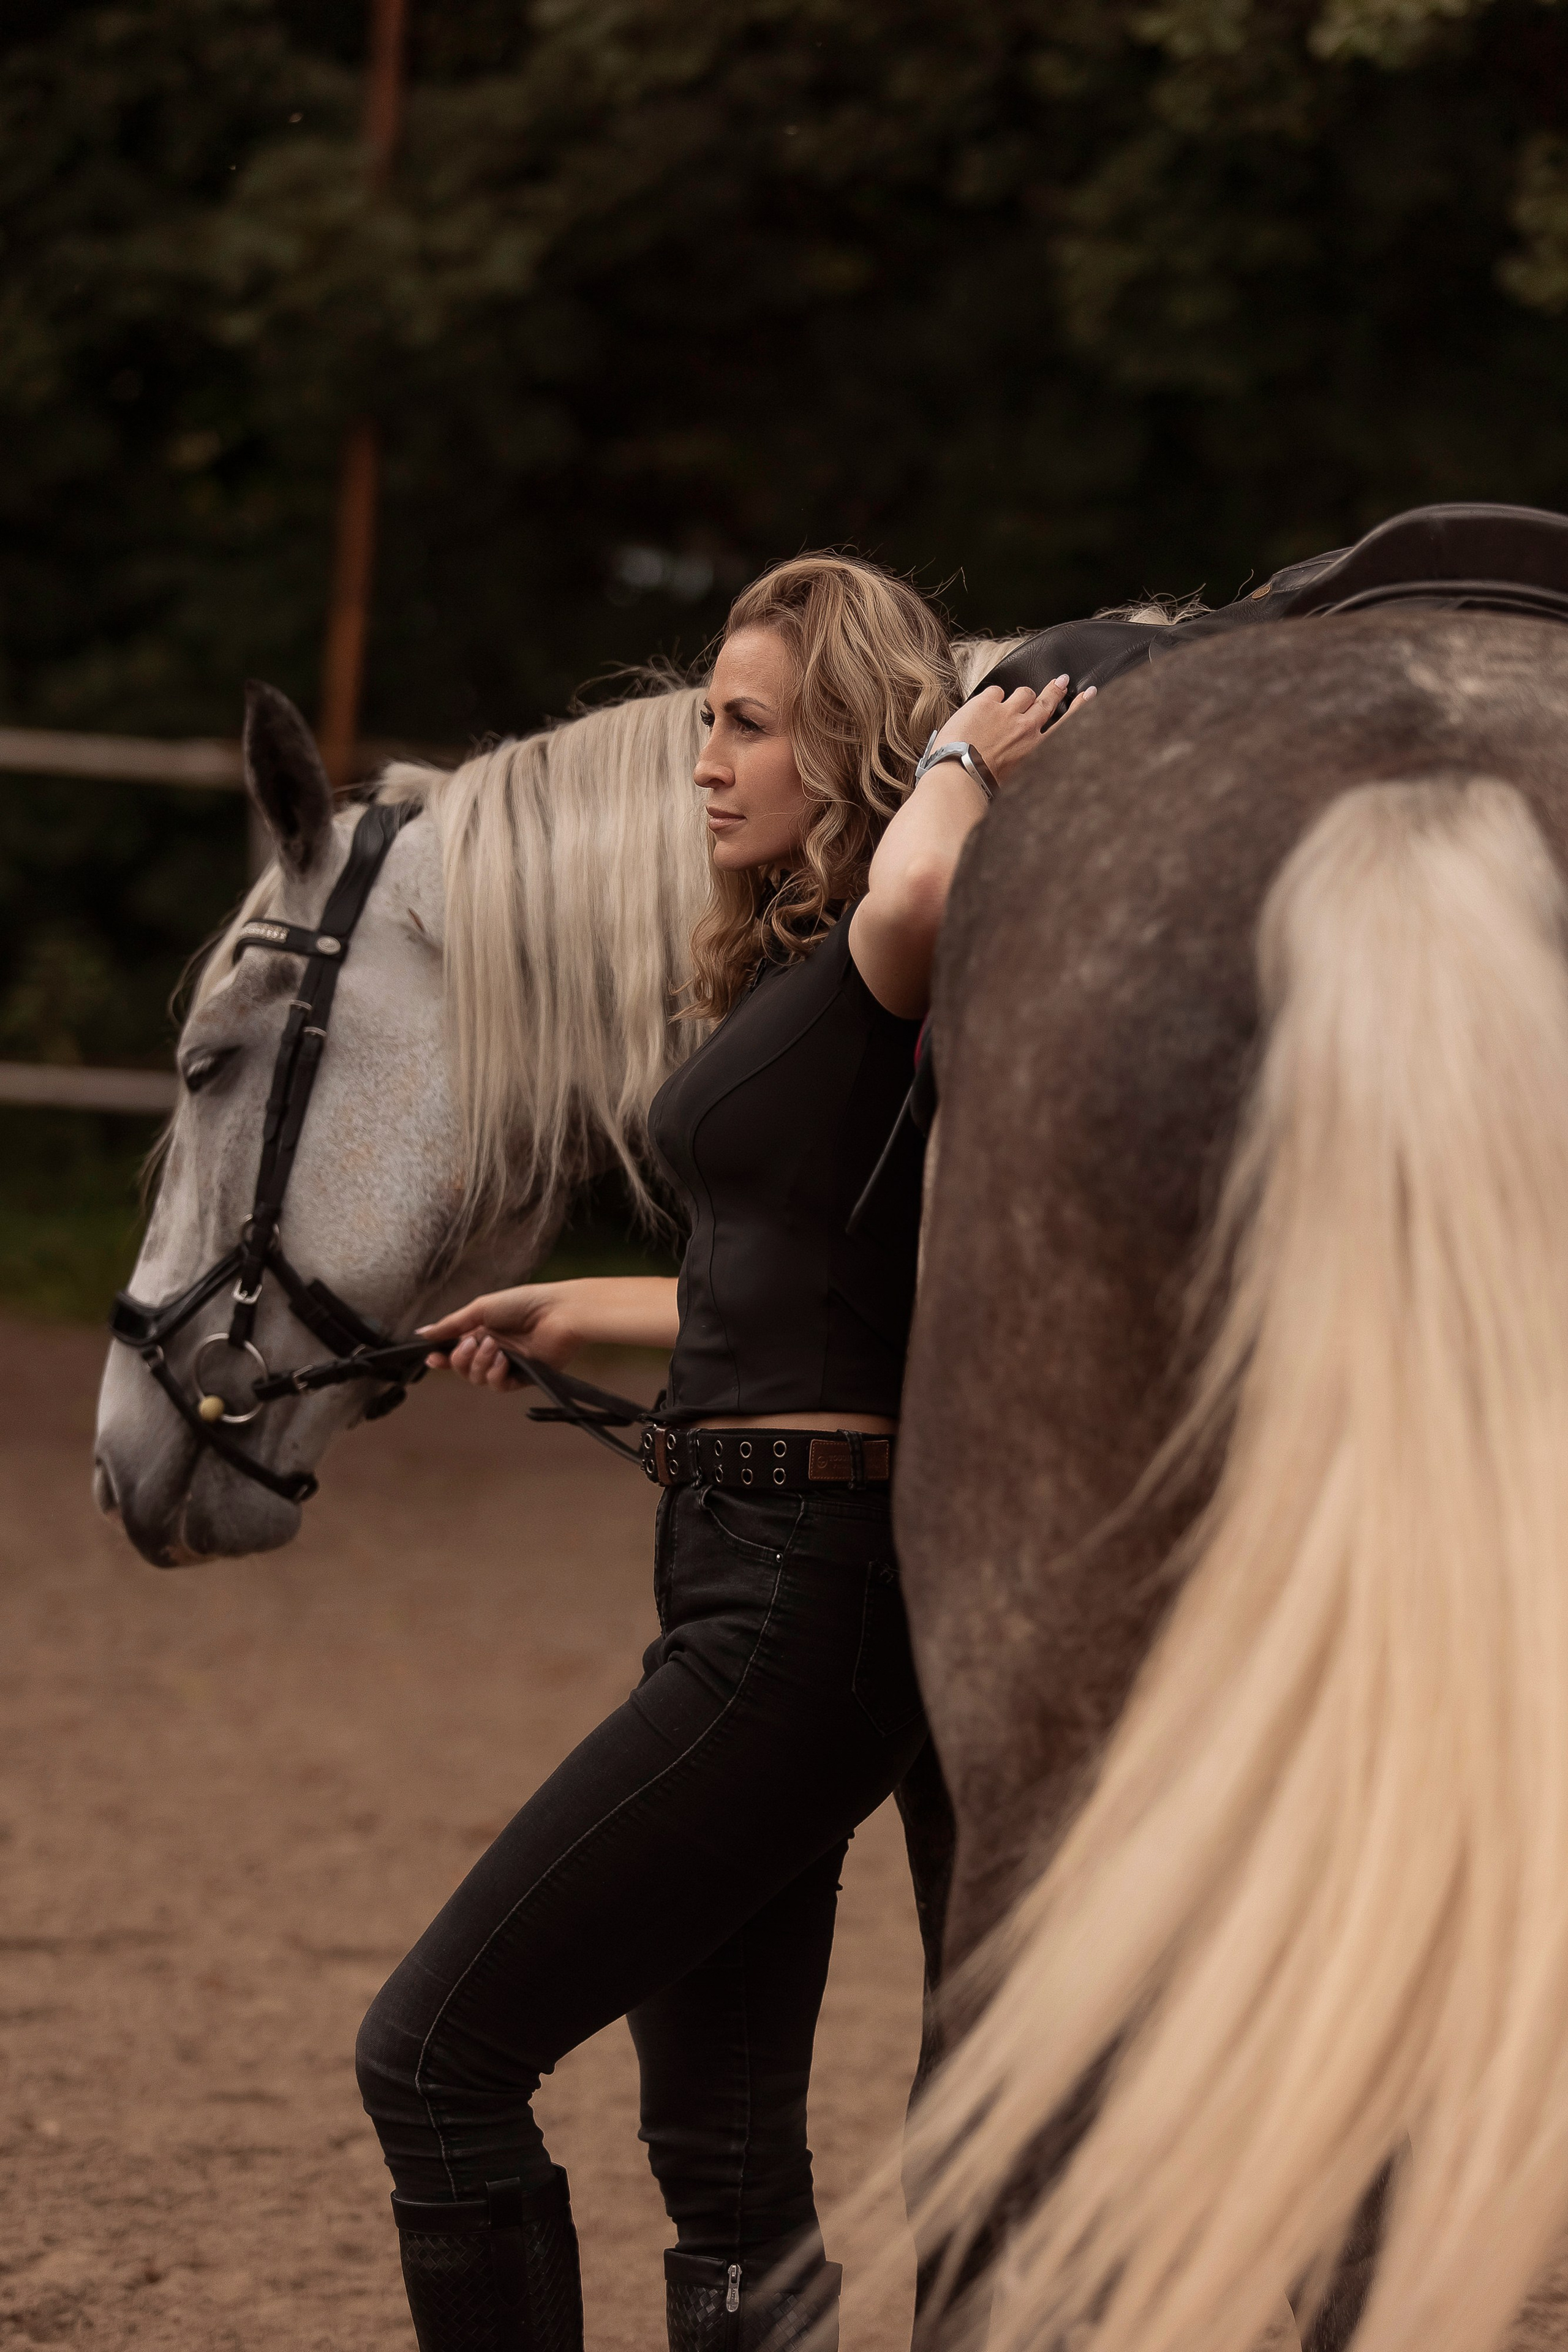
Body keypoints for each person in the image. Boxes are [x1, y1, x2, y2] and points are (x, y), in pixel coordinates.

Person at [354, 554, 1087, 2352]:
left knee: (433, 2057)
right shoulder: (804, 981)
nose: (704, 762)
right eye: (706, 722)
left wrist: (957, 762)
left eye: (747, 725)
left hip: (804, 1601)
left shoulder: (905, 945)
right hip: (742, 1564)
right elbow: (790, 1289)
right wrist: (571, 1312)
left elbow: (925, 876)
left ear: (848, 742)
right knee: (723, 2158)